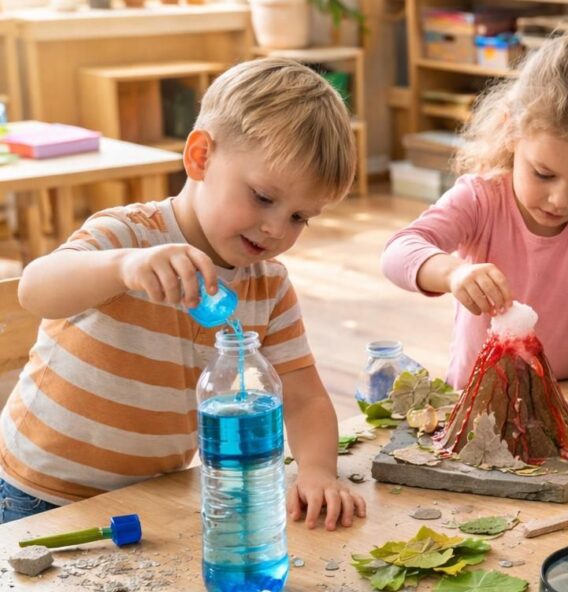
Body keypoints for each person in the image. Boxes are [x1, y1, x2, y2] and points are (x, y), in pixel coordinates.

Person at [1, 58, 367, 530]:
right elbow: (36, 289)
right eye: (262, 197)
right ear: (200, 157)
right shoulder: (128, 236)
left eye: (300, 217)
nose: (277, 228)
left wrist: (317, 471)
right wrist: (122, 268)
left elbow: (303, 399)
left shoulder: (269, 285)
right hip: (39, 492)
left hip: (150, 498)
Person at [381, 32, 568, 415]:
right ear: (511, 132)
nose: (559, 199)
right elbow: (398, 252)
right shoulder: (481, 198)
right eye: (543, 174)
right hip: (481, 397)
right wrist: (452, 273)